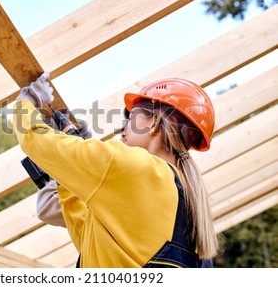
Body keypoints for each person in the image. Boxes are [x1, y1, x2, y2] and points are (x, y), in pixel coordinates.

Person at [14, 73, 218, 267]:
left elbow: (36, 140)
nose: (123, 130)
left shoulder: (134, 166)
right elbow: (94, 241)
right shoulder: (187, 196)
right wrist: (69, 176)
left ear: (154, 122)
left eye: (130, 118)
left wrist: (27, 102)